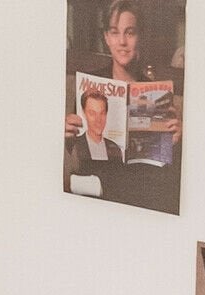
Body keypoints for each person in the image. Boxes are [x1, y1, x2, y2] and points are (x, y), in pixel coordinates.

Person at [62, 2, 184, 213]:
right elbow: (75, 153)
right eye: (114, 32)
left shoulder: (156, 91)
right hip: (96, 193)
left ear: (140, 37)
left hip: (137, 194)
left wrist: (175, 143)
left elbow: (164, 173)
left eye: (130, 32)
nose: (122, 42)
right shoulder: (90, 86)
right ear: (107, 38)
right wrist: (67, 136)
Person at [67, 86, 123, 185]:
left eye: (102, 113)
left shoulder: (115, 149)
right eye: (92, 113)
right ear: (84, 114)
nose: (98, 120)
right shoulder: (72, 146)